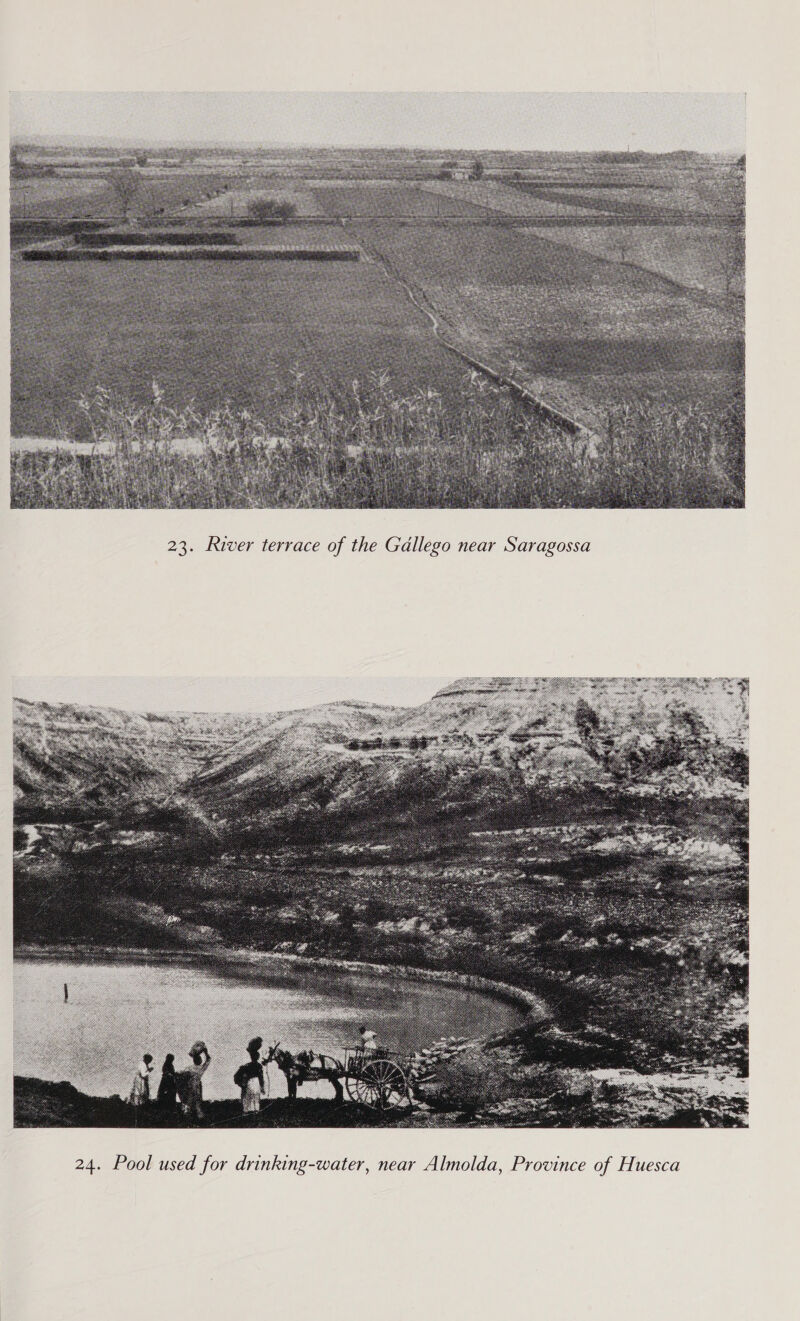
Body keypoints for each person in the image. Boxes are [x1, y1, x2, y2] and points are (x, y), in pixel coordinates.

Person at [179, 1041, 211, 1122]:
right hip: (197, 1086)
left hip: (189, 1086)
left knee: (188, 1102)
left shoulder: (189, 1068)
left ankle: (187, 1117)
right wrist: (206, 1052)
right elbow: (208, 1060)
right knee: (197, 1102)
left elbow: (180, 1074)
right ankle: (199, 1117)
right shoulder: (200, 1068)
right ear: (200, 1061)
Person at [235, 1037, 265, 1114]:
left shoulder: (246, 1066)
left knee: (247, 1097)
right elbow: (261, 1077)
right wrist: (262, 1087)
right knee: (256, 1097)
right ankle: (256, 1111)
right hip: (256, 1082)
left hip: (249, 1082)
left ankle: (246, 1111)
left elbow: (240, 1075)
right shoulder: (259, 1066)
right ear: (257, 1057)